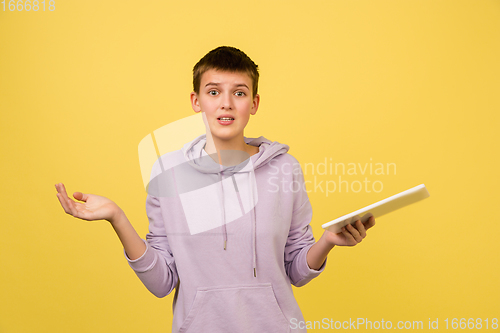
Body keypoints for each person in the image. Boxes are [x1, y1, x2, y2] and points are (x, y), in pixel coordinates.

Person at [55, 46, 376, 333]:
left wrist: (328, 241)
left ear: (254, 103)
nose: (226, 104)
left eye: (239, 93)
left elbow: (296, 269)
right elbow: (161, 281)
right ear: (196, 101)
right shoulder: (168, 172)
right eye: (213, 92)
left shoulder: (285, 168)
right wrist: (117, 217)